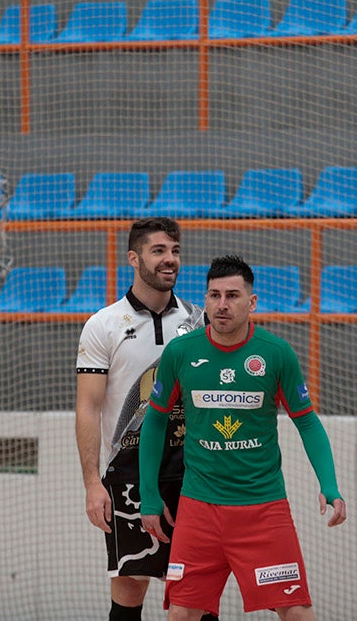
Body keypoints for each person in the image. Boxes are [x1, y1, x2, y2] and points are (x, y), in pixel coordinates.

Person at [140, 255, 346, 621]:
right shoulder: (180, 353)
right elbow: (155, 422)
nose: (222, 305)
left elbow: (308, 423)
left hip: (263, 510)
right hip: (198, 510)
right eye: (214, 295)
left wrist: (329, 485)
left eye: (232, 295)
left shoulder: (276, 353)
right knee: (182, 613)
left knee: (297, 610)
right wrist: (150, 497)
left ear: (251, 302)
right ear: (204, 299)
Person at [75, 217, 216, 621]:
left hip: (195, 473)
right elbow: (88, 408)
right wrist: (91, 484)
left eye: (175, 251)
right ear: (133, 258)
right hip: (129, 473)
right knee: (131, 583)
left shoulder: (199, 320)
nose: (170, 259)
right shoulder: (103, 325)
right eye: (159, 251)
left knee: (198, 588)